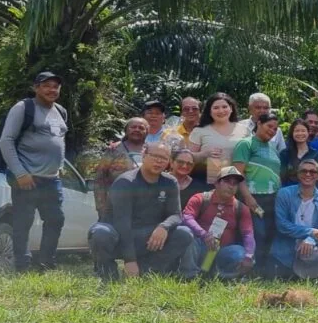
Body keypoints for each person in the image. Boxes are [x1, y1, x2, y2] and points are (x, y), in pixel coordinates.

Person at [88, 143, 194, 280]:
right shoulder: (126, 182)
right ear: (143, 156)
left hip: (147, 237)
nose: (159, 161)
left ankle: (146, 272)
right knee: (100, 233)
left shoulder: (170, 182)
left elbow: (176, 214)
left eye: (164, 158)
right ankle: (107, 274)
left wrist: (164, 227)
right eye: (155, 156)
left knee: (184, 233)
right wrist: (129, 260)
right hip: (118, 235)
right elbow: (122, 223)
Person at [0, 71, 69, 273]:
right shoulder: (24, 108)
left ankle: (46, 264)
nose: (52, 90)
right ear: (36, 87)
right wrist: (20, 173)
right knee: (23, 222)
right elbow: (6, 140)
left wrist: (60, 166)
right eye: (46, 85)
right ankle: (22, 266)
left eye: (56, 86)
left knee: (56, 219)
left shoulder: (61, 111)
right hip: (26, 177)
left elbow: (58, 141)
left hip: (52, 179)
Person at [181, 166, 255, 279]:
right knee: (186, 233)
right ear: (216, 183)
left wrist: (249, 256)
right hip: (200, 248)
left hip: (223, 252)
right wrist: (203, 234)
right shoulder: (200, 198)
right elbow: (187, 217)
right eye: (227, 182)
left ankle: (221, 276)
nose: (231, 186)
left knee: (240, 253)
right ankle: (189, 275)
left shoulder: (241, 208)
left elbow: (248, 234)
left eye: (235, 184)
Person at [231, 111, 282, 269]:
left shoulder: (273, 148)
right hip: (252, 197)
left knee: (269, 233)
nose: (272, 131)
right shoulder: (246, 144)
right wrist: (247, 197)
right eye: (269, 126)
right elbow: (238, 174)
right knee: (255, 234)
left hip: (272, 198)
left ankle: (263, 270)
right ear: (258, 123)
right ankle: (248, 269)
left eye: (275, 129)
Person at [269, 159, 318, 279]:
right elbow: (281, 224)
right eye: (303, 171)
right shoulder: (284, 194)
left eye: (312, 172)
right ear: (298, 174)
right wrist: (311, 232)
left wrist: (310, 239)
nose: (308, 174)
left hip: (310, 253)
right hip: (284, 251)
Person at [187, 92, 250, 186]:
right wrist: (204, 154)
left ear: (231, 108)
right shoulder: (199, 131)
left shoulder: (245, 130)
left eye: (225, 107)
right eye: (216, 108)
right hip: (207, 182)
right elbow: (188, 157)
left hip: (238, 182)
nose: (221, 111)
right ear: (210, 111)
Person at [94, 117, 146, 223]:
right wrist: (101, 207)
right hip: (113, 207)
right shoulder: (114, 150)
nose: (137, 130)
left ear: (147, 132)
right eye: (133, 127)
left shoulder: (151, 151)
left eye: (141, 128)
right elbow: (100, 179)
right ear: (126, 130)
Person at [279, 118, 318, 186]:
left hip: (308, 192)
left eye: (303, 131)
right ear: (292, 133)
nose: (300, 133)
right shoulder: (285, 154)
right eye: (297, 131)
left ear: (308, 132)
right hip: (287, 192)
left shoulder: (315, 154)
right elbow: (281, 176)